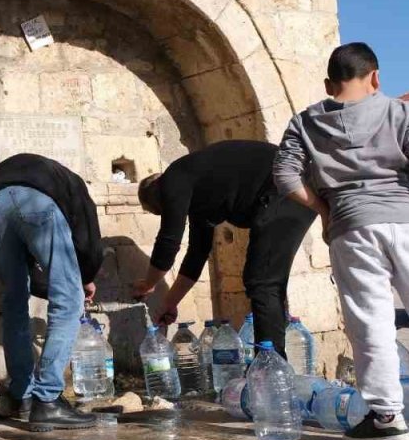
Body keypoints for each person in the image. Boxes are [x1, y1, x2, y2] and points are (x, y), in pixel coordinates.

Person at [273, 42, 409, 440]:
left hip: (352, 227)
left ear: (328, 84)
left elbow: (285, 175)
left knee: (371, 321)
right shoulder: (399, 111)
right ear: (375, 77)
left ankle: (387, 418)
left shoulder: (304, 123)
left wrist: (324, 209)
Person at [132, 141, 317, 358]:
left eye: (161, 211)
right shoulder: (200, 193)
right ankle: (272, 363)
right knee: (266, 280)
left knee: (263, 281)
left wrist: (148, 284)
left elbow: (168, 242)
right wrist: (170, 302)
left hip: (285, 187)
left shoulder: (172, 179)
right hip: (296, 189)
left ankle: (270, 363)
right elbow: (196, 255)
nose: (171, 212)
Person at [0, 153, 103, 431]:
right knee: (69, 300)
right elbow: (88, 236)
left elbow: (37, 278)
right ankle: (48, 399)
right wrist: (86, 276)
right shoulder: (73, 184)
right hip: (33, 202)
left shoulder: (38, 173)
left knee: (15, 299)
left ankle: (24, 396)